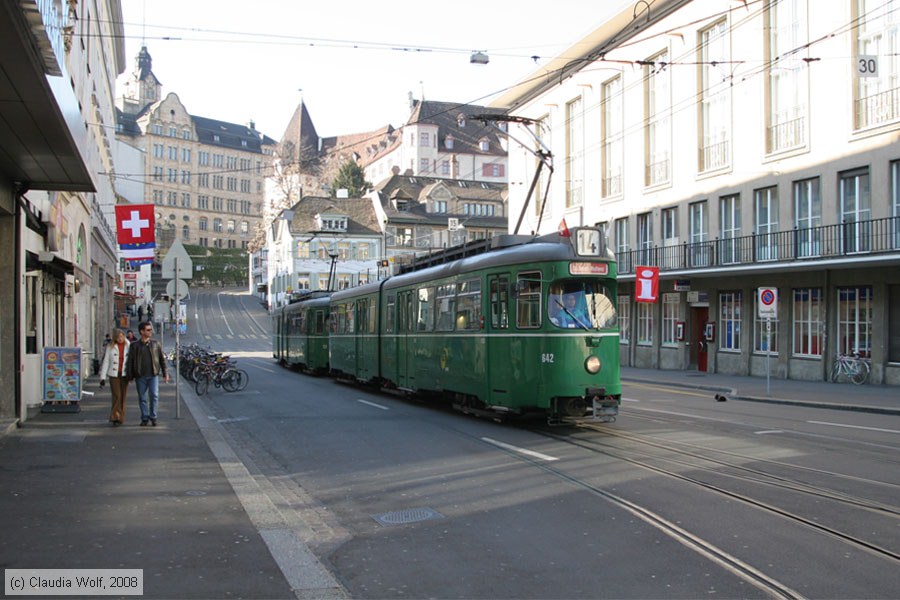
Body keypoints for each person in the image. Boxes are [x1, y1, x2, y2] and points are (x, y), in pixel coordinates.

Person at [126, 321, 169, 426]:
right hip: (140, 375)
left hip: (153, 374)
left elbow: (161, 360)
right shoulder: (134, 346)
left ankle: (153, 416)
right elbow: (130, 361)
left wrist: (165, 373)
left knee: (154, 395)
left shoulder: (156, 344)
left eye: (151, 330)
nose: (150, 332)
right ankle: (144, 417)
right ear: (142, 331)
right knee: (142, 397)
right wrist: (129, 376)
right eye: (148, 330)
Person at [99, 329, 130, 425]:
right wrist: (102, 377)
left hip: (124, 374)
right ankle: (115, 416)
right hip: (113, 374)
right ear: (115, 338)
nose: (120, 339)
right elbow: (106, 361)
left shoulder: (128, 346)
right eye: (118, 337)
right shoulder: (110, 347)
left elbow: (132, 360)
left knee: (123, 396)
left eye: (122, 336)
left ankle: (121, 417)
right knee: (117, 395)